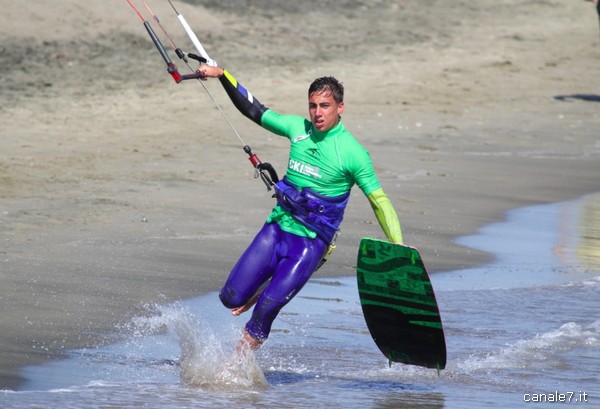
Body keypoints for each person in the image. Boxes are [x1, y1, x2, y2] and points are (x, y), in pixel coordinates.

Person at [197, 65, 404, 352]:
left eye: (325, 106)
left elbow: (379, 201)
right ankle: (263, 287)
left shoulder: (353, 153)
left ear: (340, 107)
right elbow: (255, 110)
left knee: (266, 309)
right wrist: (222, 75)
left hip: (309, 244)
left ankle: (235, 370)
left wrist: (400, 247)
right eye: (313, 106)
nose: (318, 113)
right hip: (277, 227)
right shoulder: (298, 129)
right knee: (230, 298)